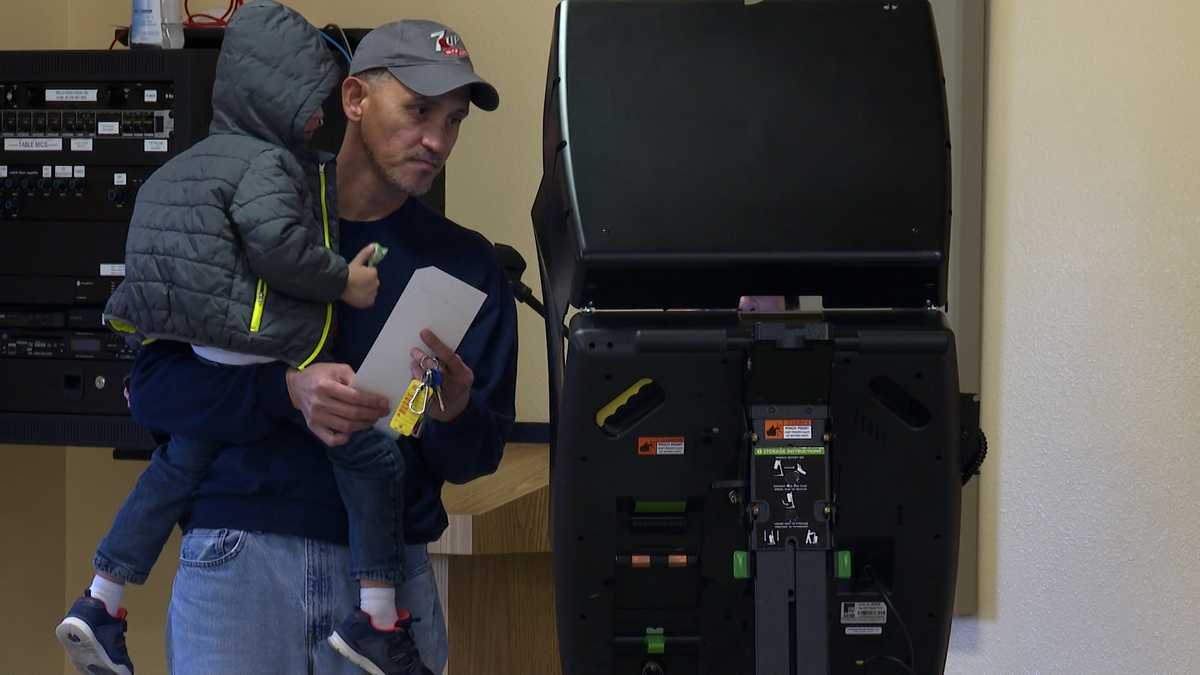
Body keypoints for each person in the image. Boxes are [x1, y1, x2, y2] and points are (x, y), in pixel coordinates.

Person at [104, 17, 512, 675]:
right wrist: (286, 391)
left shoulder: (467, 266)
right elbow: (154, 390)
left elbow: (478, 454)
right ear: (354, 99)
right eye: (417, 109)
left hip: (391, 576)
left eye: (454, 120)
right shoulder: (243, 212)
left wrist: (452, 410)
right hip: (241, 562)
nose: (436, 139)